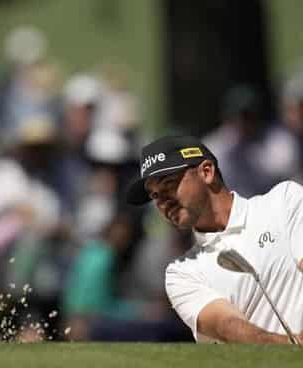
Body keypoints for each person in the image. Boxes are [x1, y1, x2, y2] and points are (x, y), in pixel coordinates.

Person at [126, 134, 303, 344]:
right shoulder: (181, 273)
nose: (163, 203)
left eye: (169, 185)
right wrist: (292, 346)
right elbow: (227, 326)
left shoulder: (284, 201)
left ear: (206, 172)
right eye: (155, 196)